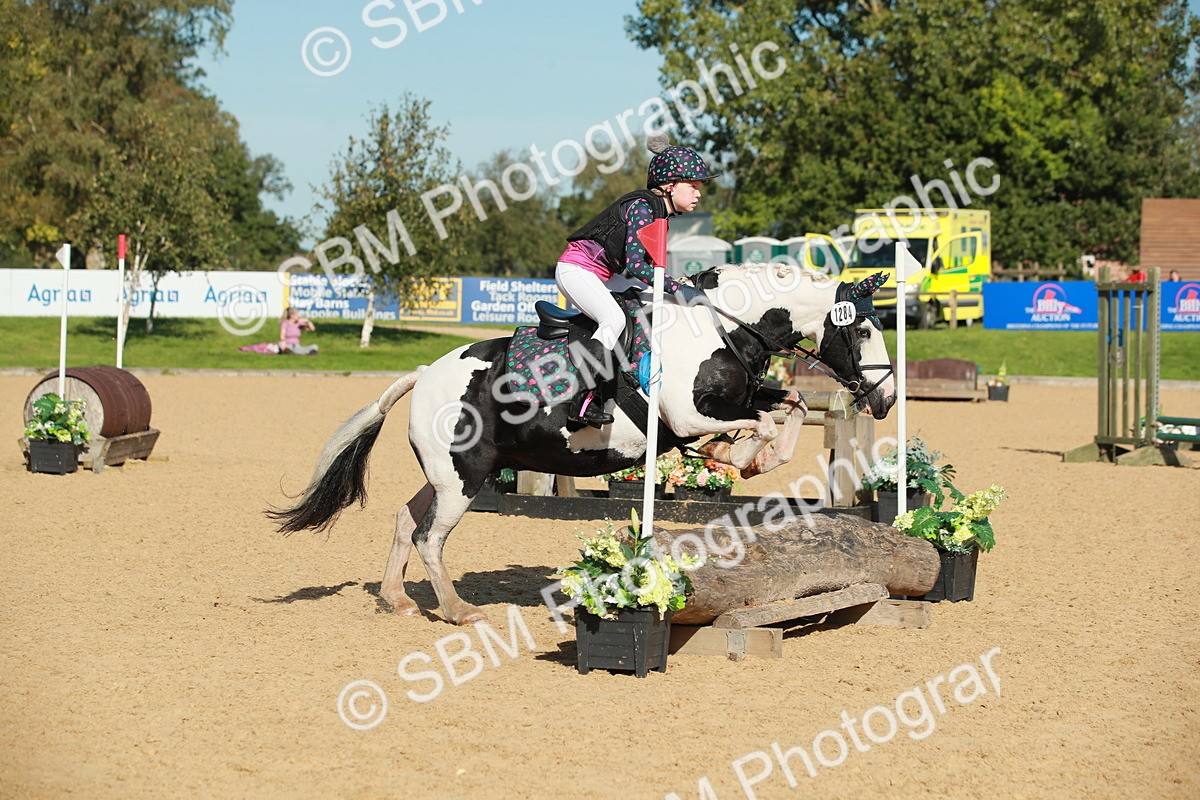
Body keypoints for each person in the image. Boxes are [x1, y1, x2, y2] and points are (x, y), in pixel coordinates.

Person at [555, 133, 717, 427]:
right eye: (692, 186)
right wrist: (679, 289)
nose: (698, 194)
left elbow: (643, 272)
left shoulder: (659, 212)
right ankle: (580, 401)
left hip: (602, 274)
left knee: (649, 301)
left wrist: (676, 291)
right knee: (613, 320)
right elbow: (637, 266)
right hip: (577, 270)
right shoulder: (644, 207)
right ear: (669, 186)